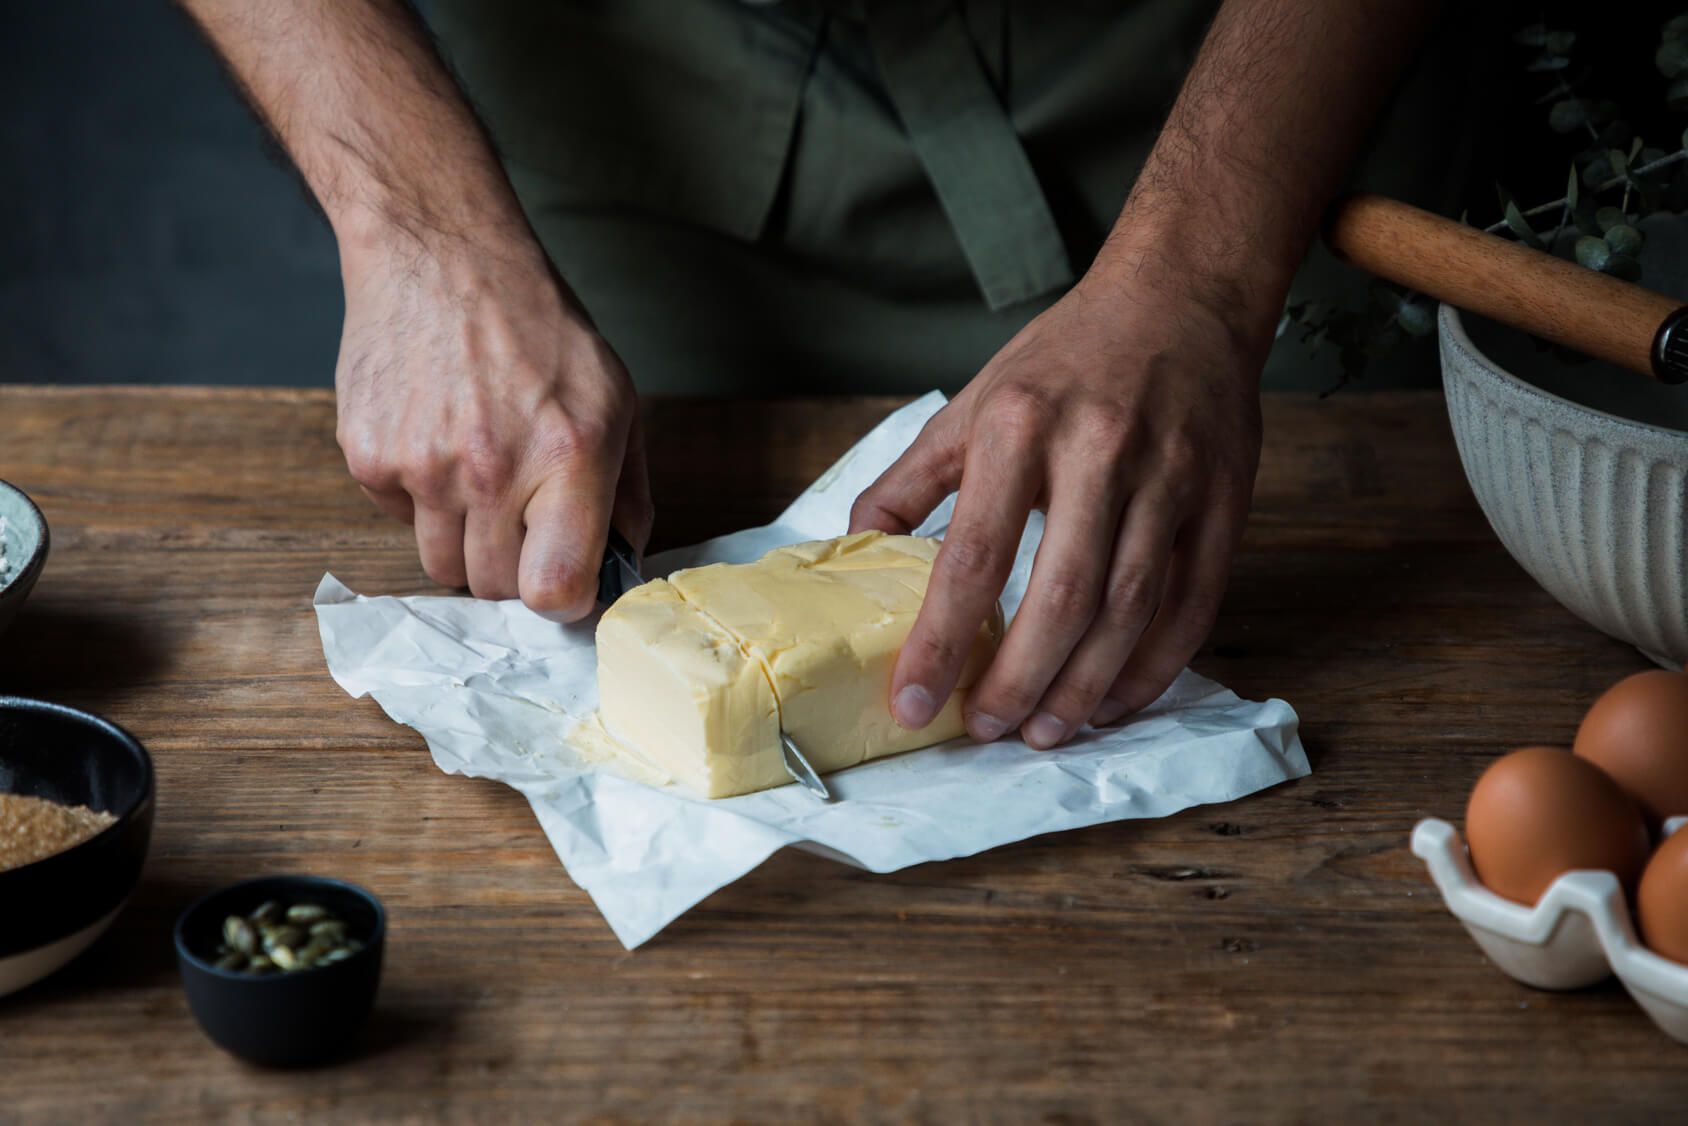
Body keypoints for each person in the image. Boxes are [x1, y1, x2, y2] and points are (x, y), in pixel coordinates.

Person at [180, 0, 1453, 749]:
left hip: (1206, 90)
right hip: (642, 91)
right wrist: (419, 225)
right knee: (566, 525)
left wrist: (1205, 271)